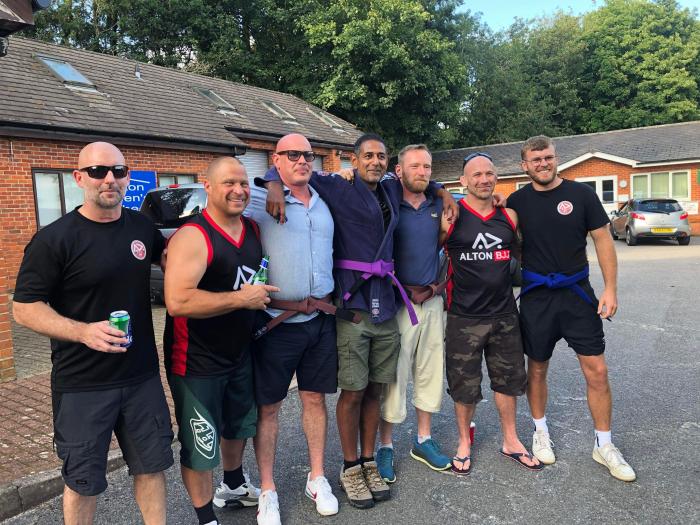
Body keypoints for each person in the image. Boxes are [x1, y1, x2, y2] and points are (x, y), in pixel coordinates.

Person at [262, 134, 458, 509]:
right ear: (354, 160)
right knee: (353, 391)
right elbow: (294, 171)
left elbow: (420, 179)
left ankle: (369, 459)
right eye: (368, 155)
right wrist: (272, 183)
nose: (375, 161)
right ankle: (350, 466)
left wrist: (442, 191)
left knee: (376, 389)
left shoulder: (390, 189)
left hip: (387, 305)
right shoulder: (338, 186)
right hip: (353, 304)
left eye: (381, 156)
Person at [13, 142, 174, 525]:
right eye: (98, 171)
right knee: (83, 481)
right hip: (82, 383)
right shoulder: (54, 239)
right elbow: (24, 308)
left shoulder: (141, 227)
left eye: (118, 171)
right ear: (79, 177)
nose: (109, 179)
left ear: (127, 177)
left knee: (151, 468)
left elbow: (174, 258)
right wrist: (83, 331)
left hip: (141, 377)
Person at [508, 135, 636, 482]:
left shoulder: (581, 195)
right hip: (537, 297)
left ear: (556, 158)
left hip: (577, 294)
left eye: (547, 157)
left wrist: (610, 289)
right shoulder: (517, 201)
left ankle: (604, 445)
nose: (543, 164)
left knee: (597, 371)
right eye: (536, 160)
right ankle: (540, 431)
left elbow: (603, 240)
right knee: (536, 368)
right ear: (524, 165)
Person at [163, 157, 278, 525]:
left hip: (240, 351)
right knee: (201, 443)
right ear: (208, 186)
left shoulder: (252, 228)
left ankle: (232, 485)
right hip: (197, 358)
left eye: (243, 183)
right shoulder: (193, 235)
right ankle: (205, 518)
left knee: (237, 425)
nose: (238, 190)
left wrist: (275, 185)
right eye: (229, 183)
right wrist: (240, 299)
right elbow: (177, 301)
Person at [245, 133, 342, 524]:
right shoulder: (258, 200)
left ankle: (316, 477)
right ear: (276, 159)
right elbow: (220, 198)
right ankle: (267, 489)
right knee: (269, 407)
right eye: (293, 155)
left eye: (308, 155)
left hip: (321, 319)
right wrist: (271, 183)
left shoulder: (325, 198)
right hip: (277, 322)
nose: (303, 161)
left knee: (315, 399)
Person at [441, 152, 542, 474]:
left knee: (508, 381)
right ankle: (463, 442)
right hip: (464, 317)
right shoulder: (451, 216)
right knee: (464, 385)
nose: (484, 180)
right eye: (477, 175)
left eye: (489, 174)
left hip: (504, 315)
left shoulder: (509, 216)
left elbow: (521, 254)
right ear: (463, 181)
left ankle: (511, 440)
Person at [375, 144, 451, 483]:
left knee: (430, 372)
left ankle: (423, 439)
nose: (422, 172)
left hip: (432, 300)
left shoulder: (439, 203)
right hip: (398, 303)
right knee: (394, 375)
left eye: (427, 167)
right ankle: (386, 445)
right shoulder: (387, 200)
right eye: (415, 166)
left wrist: (444, 191)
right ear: (399, 170)